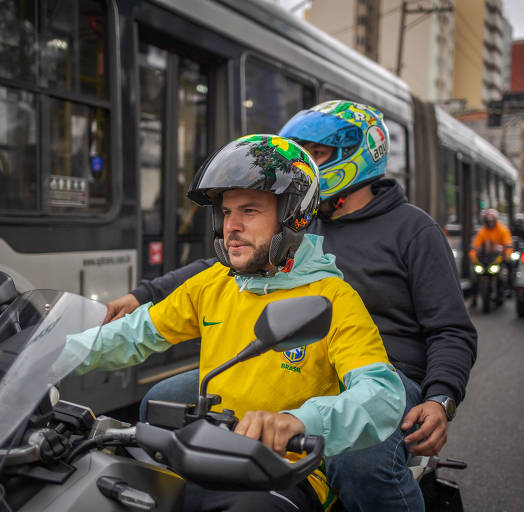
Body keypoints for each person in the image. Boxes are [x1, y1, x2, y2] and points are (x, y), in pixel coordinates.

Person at [107, 101, 478, 512]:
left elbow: (451, 329)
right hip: (283, 356)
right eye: (299, 151)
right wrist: (144, 294)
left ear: (359, 154)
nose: (306, 162)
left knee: (359, 463)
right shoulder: (299, 217)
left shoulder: (414, 230)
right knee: (160, 403)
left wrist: (441, 396)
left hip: (381, 374)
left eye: (317, 153)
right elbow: (219, 266)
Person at [66, 134, 405, 512]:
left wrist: (300, 421)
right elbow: (134, 335)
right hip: (205, 455)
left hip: (284, 473)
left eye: (250, 211)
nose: (232, 226)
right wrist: (50, 355)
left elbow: (382, 396)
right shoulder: (213, 284)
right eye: (227, 213)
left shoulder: (332, 298)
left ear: (293, 216)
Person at [470, 208, 513, 305]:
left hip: (498, 258)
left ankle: (509, 289)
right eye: (488, 222)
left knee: (505, 273)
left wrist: (507, 255)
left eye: (492, 221)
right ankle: (474, 298)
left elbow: (508, 244)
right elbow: (475, 246)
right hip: (485, 259)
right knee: (474, 277)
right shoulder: (482, 231)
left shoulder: (503, 230)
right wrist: (473, 256)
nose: (490, 224)